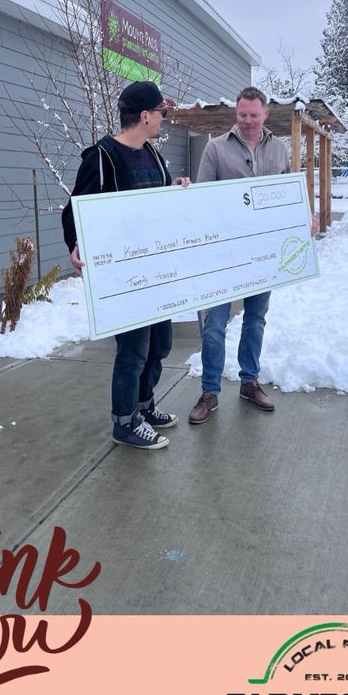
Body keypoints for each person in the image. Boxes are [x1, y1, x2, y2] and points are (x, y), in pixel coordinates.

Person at [62, 81, 190, 451]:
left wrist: (178, 188)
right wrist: (75, 244)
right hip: (124, 276)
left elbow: (160, 202)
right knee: (133, 349)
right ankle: (124, 422)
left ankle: (143, 405)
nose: (164, 118)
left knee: (160, 344)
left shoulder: (152, 155)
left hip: (156, 272)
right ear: (145, 116)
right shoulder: (101, 157)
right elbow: (75, 208)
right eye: (161, 112)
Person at [188, 86, 291, 424]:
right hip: (224, 254)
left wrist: (303, 218)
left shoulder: (279, 149)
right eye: (242, 115)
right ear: (237, 114)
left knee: (255, 319)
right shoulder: (215, 149)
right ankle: (209, 391)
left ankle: (250, 382)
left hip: (262, 254)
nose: (247, 121)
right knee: (215, 324)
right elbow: (202, 199)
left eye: (253, 115)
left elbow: (288, 197)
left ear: (265, 114)